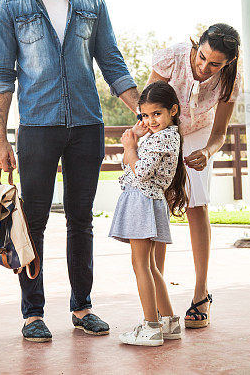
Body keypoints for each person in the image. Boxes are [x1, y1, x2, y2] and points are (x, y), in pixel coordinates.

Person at [0, 0, 139, 343]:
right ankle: (32, 313)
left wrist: (142, 110)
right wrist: (1, 140)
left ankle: (82, 306)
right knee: (33, 221)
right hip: (37, 127)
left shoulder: (91, 0)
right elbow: (2, 76)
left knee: (81, 219)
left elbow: (112, 62)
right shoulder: (8, 7)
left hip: (86, 126)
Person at [148, 23, 242, 328]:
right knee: (159, 207)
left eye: (214, 63)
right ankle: (158, 300)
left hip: (200, 134)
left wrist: (208, 152)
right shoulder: (171, 59)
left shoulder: (231, 79)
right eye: (201, 57)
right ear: (196, 45)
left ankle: (201, 293)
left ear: (228, 62)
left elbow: (219, 133)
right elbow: (147, 109)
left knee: (196, 206)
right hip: (164, 130)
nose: (204, 67)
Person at [108, 81, 187, 346]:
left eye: (157, 114)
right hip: (146, 201)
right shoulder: (162, 135)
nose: (150, 120)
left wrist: (130, 146)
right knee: (151, 266)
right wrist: (136, 138)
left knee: (140, 265)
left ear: (172, 110)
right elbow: (129, 166)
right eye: (145, 115)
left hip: (143, 201)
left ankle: (151, 326)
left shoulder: (164, 137)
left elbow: (139, 170)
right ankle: (169, 322)